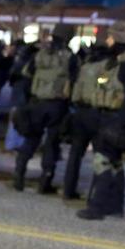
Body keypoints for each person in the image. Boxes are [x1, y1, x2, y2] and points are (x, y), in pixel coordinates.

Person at [77, 21, 125, 221]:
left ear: (118, 40)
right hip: (111, 119)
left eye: (110, 37)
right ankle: (115, 206)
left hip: (114, 121)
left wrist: (117, 124)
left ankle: (96, 207)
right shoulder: (121, 62)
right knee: (115, 164)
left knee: (103, 163)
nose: (107, 40)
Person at [12, 24, 78, 193]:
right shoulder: (70, 57)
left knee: (31, 139)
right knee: (51, 143)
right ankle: (45, 181)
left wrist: (29, 99)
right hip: (57, 105)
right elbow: (75, 81)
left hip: (37, 102)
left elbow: (26, 75)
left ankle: (19, 176)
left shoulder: (40, 54)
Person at [62, 40, 110, 200]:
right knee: (100, 156)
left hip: (80, 112)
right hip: (98, 113)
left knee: (75, 154)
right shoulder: (106, 69)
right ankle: (94, 195)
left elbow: (75, 91)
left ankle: (68, 189)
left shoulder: (85, 67)